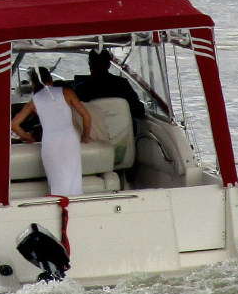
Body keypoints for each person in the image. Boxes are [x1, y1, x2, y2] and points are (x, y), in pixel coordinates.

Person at [12, 67, 92, 197]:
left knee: (56, 183)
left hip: (50, 144)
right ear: (50, 79)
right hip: (69, 141)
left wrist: (28, 138)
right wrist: (85, 137)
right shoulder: (66, 92)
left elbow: (14, 125)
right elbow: (86, 116)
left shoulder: (35, 101)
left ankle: (60, 210)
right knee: (73, 181)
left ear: (33, 83)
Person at [73, 49, 145, 120]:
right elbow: (139, 111)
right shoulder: (122, 84)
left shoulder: (81, 90)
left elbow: (75, 116)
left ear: (90, 65)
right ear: (109, 65)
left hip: (94, 131)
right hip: (122, 131)